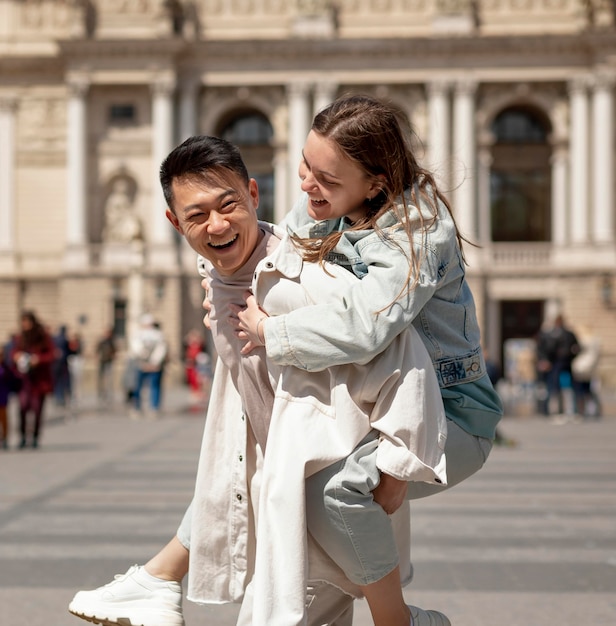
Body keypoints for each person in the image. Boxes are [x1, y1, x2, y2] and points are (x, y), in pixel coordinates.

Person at [69, 134, 450, 626]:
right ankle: (157, 581)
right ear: (173, 222)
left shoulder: (298, 279)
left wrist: (397, 466)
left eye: (228, 205)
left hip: (327, 497)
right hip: (290, 504)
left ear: (253, 194)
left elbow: (405, 359)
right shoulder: (225, 284)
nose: (217, 224)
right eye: (197, 215)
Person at [233, 94, 503, 624]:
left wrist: (272, 330)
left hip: (449, 414)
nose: (308, 185)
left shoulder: (418, 231)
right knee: (269, 483)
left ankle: (399, 621)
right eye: (306, 166)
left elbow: (365, 325)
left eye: (327, 179)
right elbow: (278, 248)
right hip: (369, 408)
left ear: (376, 183)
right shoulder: (325, 208)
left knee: (333, 494)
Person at [10, 311, 55, 449]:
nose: (26, 324)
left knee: (37, 409)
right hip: (24, 380)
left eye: (28, 321)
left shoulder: (43, 337)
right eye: (23, 321)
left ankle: (35, 437)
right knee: (22, 407)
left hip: (39, 380)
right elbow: (13, 352)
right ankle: (23, 436)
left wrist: (38, 360)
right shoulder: (20, 338)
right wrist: (16, 357)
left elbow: (51, 354)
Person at [536, 313, 580, 416]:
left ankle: (559, 411)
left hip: (559, 365)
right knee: (559, 388)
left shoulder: (560, 334)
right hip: (559, 364)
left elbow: (546, 350)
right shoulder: (556, 334)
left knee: (558, 388)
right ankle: (560, 411)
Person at [130, 314, 168, 416]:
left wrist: (154, 361)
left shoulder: (158, 334)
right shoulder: (138, 334)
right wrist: (143, 354)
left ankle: (154, 407)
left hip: (153, 364)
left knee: (154, 386)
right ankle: (137, 406)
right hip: (141, 363)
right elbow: (135, 346)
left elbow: (161, 349)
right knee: (138, 386)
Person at [96, 327, 117, 403]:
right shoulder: (102, 341)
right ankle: (101, 393)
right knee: (101, 378)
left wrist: (113, 356)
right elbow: (97, 350)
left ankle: (109, 393)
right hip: (102, 361)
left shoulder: (111, 341)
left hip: (109, 361)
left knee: (109, 378)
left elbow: (115, 350)